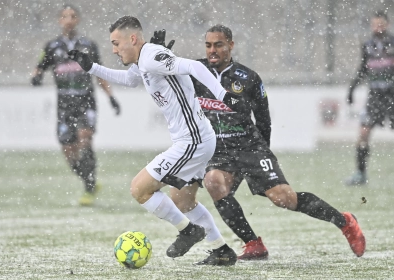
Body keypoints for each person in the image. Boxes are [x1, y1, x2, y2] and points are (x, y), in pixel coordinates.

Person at [152, 25, 366, 260]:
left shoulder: (249, 78)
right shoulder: (195, 71)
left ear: (230, 45)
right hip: (218, 151)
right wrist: (158, 53)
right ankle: (253, 244)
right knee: (213, 182)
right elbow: (165, 75)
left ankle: (345, 222)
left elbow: (263, 119)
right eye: (208, 45)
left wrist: (262, 154)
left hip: (250, 147)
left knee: (284, 198)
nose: (212, 50)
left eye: (219, 45)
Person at [67, 16, 241, 266]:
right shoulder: (144, 60)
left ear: (133, 39)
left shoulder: (150, 55)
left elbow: (195, 67)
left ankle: (188, 231)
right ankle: (222, 250)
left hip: (193, 141)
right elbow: (130, 79)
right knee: (183, 201)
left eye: (116, 43)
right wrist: (91, 67)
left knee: (140, 189)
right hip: (199, 138)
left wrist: (224, 95)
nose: (114, 50)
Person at [30, 4, 121, 206]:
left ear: (77, 20)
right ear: (60, 21)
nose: (69, 20)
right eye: (65, 16)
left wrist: (111, 97)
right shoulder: (51, 46)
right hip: (64, 104)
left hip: (86, 100)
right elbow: (39, 67)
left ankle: (89, 188)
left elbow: (99, 73)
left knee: (85, 137)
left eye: (72, 16)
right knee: (68, 150)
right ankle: (89, 180)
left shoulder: (88, 45)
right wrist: (36, 77)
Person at [345, 10, 394, 186]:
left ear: (387, 25)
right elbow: (363, 69)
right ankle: (360, 174)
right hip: (375, 96)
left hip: (392, 95)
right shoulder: (367, 45)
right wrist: (352, 88)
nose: (377, 28)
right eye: (374, 24)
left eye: (380, 24)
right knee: (363, 133)